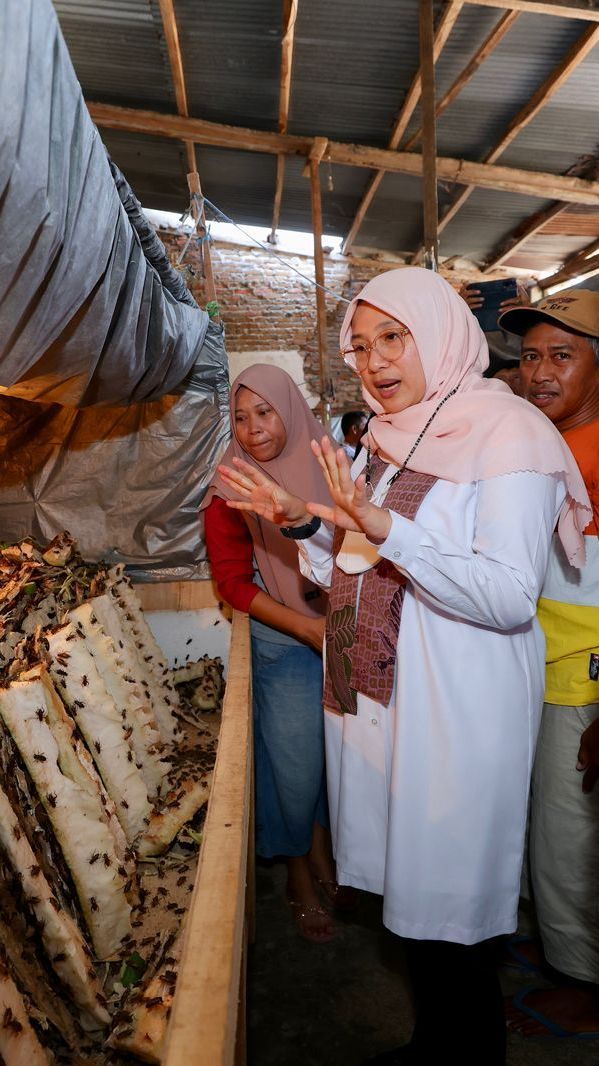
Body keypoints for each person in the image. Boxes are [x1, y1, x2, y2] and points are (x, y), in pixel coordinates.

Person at [216, 268, 591, 1065]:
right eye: (358, 345)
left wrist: (384, 526)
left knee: (451, 908)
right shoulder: (392, 436)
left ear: (443, 333)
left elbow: (504, 595)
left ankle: (467, 1053)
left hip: (457, 706)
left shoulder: (510, 436)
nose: (374, 361)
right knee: (415, 907)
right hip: (387, 700)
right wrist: (301, 527)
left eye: (393, 337)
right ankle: (436, 1044)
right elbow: (351, 570)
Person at [202, 364, 341, 943]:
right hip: (286, 641)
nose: (253, 429)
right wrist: (304, 631)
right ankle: (296, 877)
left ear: (291, 406)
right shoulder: (231, 485)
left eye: (265, 412)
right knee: (294, 766)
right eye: (240, 417)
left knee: (338, 764)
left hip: (346, 632)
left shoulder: (334, 465)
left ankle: (327, 855)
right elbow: (233, 584)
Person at [497, 289, 599, 1039]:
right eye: (529, 355)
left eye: (561, 355)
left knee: (571, 837)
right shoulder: (545, 445)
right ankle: (563, 945)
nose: (538, 372)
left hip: (582, 676)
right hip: (541, 663)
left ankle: (584, 984)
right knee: (549, 828)